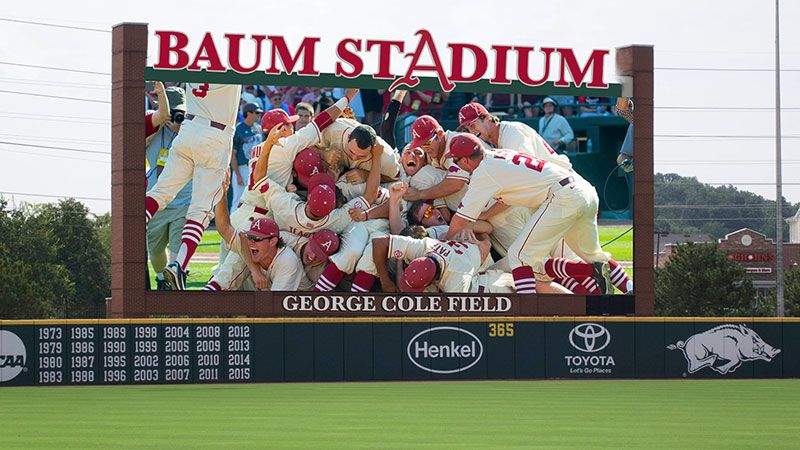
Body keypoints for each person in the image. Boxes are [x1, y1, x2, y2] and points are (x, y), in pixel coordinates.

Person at [444, 134, 613, 295]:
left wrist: (443, 246)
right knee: (592, 255)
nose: (456, 165)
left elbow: (460, 220)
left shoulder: (484, 172)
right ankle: (623, 290)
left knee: (518, 256)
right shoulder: (500, 154)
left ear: (465, 159)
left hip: (561, 197)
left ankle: (528, 309)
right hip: (583, 190)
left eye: (456, 161)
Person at [145, 82, 242, 290]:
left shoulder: (195, 61)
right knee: (201, 211)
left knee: (160, 192)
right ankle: (179, 265)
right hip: (216, 133)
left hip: (188, 128)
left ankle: (134, 224)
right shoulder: (233, 62)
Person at [204, 174, 307, 291]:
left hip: (294, 304)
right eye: (251, 237)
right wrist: (221, 194)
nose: (252, 242)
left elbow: (276, 306)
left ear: (273, 241)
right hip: (251, 211)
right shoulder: (252, 245)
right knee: (233, 264)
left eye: (257, 239)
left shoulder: (286, 260)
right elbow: (224, 228)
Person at [145, 85, 190, 290]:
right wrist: (159, 124)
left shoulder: (192, 126)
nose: (175, 115)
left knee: (177, 246)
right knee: (154, 250)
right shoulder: (151, 123)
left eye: (179, 111)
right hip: (156, 199)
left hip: (183, 198)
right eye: (172, 111)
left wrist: (182, 130)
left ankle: (175, 279)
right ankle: (162, 278)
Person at [458, 102, 571, 169]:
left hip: (565, 188)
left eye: (472, 125)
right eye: (467, 129)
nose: (472, 132)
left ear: (487, 118)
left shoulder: (513, 132)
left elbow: (528, 172)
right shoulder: (492, 141)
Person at [231, 103, 263, 214]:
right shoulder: (238, 129)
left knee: (254, 201)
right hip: (242, 168)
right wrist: (238, 175)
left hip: (256, 168)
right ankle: (232, 228)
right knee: (238, 200)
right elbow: (232, 155)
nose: (259, 115)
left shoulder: (258, 128)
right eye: (257, 112)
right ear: (248, 113)